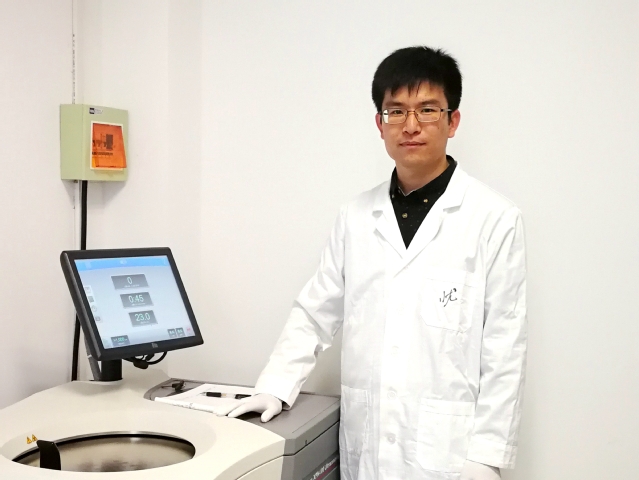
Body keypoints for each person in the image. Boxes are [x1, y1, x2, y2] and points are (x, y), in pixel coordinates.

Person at [213, 46, 527, 480]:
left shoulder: (494, 218)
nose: (410, 125)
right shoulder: (356, 217)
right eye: (396, 111)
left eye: (427, 110)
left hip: (452, 454)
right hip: (370, 447)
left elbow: (505, 349)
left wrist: (486, 456)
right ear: (380, 124)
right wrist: (275, 387)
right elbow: (315, 312)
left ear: (452, 121)